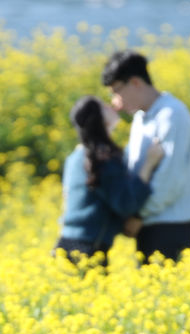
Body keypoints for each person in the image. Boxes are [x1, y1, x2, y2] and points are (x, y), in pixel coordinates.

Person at [102, 50, 190, 262]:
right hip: (149, 223)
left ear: (136, 83)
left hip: (169, 225)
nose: (115, 102)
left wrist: (138, 216)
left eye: (116, 92)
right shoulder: (141, 117)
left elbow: (170, 180)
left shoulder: (171, 115)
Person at [55, 95, 164, 264]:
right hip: (88, 250)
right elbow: (126, 203)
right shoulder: (102, 159)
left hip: (64, 246)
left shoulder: (76, 156)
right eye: (103, 106)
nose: (110, 106)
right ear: (99, 119)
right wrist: (148, 165)